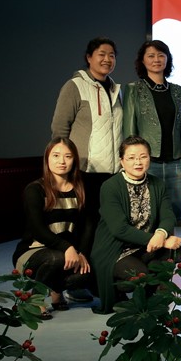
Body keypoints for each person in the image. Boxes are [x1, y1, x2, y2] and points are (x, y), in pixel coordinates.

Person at [90, 136, 181, 314]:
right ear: (122, 161)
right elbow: (119, 229)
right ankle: (126, 297)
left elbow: (168, 216)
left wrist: (161, 234)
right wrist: (160, 240)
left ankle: (157, 302)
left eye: (143, 156)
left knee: (173, 251)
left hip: (146, 246)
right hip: (117, 250)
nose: (138, 162)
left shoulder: (157, 184)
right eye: (131, 158)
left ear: (149, 158)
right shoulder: (110, 187)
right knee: (142, 277)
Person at [51, 37, 123, 240]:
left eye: (112, 55)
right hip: (84, 169)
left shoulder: (116, 90)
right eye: (102, 54)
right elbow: (59, 128)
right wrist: (63, 165)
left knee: (107, 224)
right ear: (89, 57)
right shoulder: (74, 86)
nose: (107, 59)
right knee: (86, 223)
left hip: (112, 171)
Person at [13, 138, 93, 319]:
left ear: (74, 160)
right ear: (47, 158)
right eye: (56, 156)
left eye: (68, 156)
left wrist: (82, 253)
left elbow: (88, 226)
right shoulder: (35, 189)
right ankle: (35, 300)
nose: (61, 161)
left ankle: (56, 291)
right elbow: (38, 230)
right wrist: (67, 247)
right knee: (56, 258)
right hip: (32, 252)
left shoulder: (81, 189)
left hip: (67, 253)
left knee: (87, 272)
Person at [122, 40, 181, 220]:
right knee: (147, 212)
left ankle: (171, 240)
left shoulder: (178, 91)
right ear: (142, 60)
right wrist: (132, 161)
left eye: (161, 55)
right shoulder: (133, 89)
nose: (156, 59)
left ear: (168, 59)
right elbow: (130, 130)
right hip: (147, 161)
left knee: (174, 212)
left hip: (175, 162)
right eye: (151, 56)